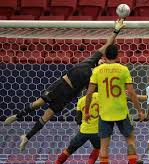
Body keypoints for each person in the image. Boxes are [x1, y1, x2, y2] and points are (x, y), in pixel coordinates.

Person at [4, 19, 125, 151]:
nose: (103, 61)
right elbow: (108, 44)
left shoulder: (99, 75)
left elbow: (90, 92)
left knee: (47, 117)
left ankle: (26, 137)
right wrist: (116, 30)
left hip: (69, 95)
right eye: (103, 59)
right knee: (38, 103)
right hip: (61, 85)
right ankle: (17, 116)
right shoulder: (91, 61)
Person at [84, 44, 144, 164]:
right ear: (118, 55)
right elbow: (132, 93)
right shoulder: (123, 69)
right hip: (121, 111)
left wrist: (86, 111)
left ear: (105, 56)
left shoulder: (97, 70)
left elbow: (89, 93)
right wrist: (139, 110)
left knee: (104, 146)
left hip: (105, 113)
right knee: (131, 141)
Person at [54, 92, 100, 164]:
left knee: (69, 150)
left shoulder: (81, 100)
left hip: (83, 131)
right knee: (98, 148)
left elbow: (78, 119)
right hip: (97, 131)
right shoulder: (100, 97)